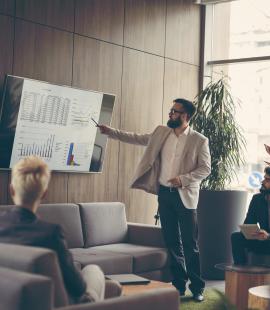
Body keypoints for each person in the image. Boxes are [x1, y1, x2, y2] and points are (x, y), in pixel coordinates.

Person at [99, 98, 211, 301]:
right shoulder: (161, 132)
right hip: (165, 194)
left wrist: (183, 179)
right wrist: (111, 132)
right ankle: (178, 285)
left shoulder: (199, 140)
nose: (170, 114)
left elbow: (205, 169)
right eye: (171, 110)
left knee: (190, 244)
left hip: (185, 196)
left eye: (175, 111)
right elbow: (138, 138)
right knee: (171, 242)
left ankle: (198, 287)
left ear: (185, 115)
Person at [0, 156, 108, 304]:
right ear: (44, 193)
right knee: (93, 270)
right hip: (63, 304)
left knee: (112, 288)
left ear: (11, 189)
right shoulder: (50, 234)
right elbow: (78, 287)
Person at [231, 167, 270, 266]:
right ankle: (241, 273)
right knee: (236, 237)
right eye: (264, 178)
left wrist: (269, 236)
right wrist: (252, 232)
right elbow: (248, 224)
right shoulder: (257, 199)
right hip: (261, 242)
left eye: (267, 180)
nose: (263, 181)